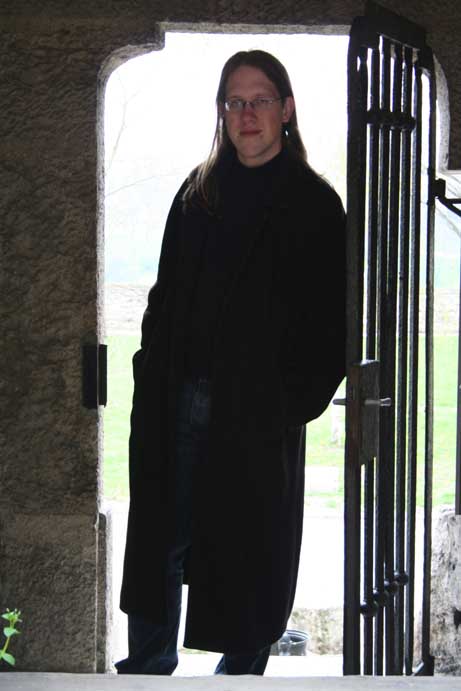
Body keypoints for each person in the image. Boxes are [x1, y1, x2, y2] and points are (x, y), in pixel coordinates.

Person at [116, 49, 346, 676]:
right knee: (161, 539)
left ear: (286, 109)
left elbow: (333, 325)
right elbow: (164, 297)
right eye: (235, 102)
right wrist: (151, 370)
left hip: (259, 413)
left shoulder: (315, 205)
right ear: (221, 112)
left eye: (260, 100)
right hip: (177, 396)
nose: (247, 114)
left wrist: (289, 405)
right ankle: (148, 670)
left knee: (253, 546)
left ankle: (240, 679)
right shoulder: (199, 193)